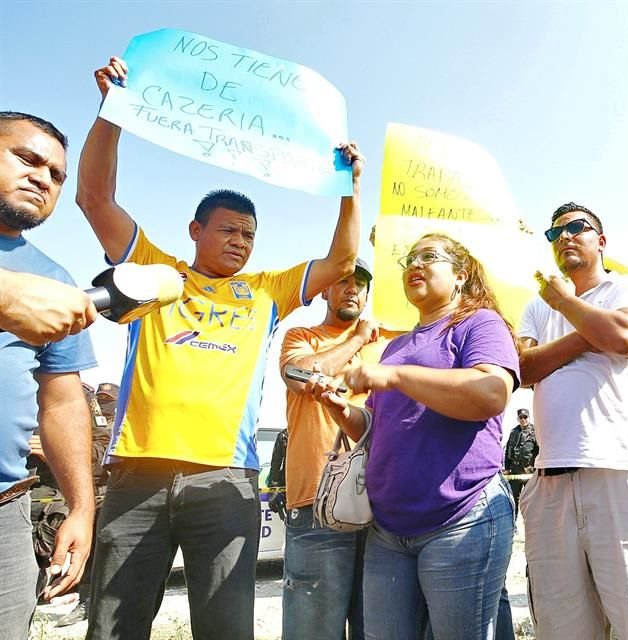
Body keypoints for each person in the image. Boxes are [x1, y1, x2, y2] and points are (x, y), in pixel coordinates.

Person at [76, 58, 365, 640]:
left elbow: (339, 263)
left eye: (250, 235)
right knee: (113, 625)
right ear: (196, 231)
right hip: (138, 474)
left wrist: (348, 190)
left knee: (227, 629)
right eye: (229, 230)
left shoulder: (267, 293)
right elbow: (93, 198)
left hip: (229, 480)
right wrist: (112, 113)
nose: (240, 242)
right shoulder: (154, 271)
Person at [312, 233, 519, 640]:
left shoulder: (479, 324)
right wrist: (340, 408)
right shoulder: (396, 347)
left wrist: (395, 376)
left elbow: (492, 393)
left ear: (460, 275)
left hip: (461, 517)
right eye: (410, 259)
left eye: (429, 257)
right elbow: (375, 429)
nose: (415, 265)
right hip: (388, 530)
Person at [517, 202, 628, 640]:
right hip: (552, 483)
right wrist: (590, 334)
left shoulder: (627, 290)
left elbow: (625, 336)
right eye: (555, 233)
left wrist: (565, 303)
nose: (565, 237)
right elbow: (521, 368)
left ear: (601, 240)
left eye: (578, 228)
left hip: (622, 476)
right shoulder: (536, 309)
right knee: (562, 630)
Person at [0, 111, 97, 637]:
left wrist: (80, 508)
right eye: (27, 159)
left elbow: (61, 402)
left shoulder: (57, 281)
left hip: (5, 509)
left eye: (57, 175)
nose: (43, 178)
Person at [278, 258, 386, 640]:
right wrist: (356, 339)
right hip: (315, 506)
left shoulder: (388, 344)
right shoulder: (301, 337)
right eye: (341, 281)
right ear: (324, 289)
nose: (351, 289)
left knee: (376, 628)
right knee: (313, 630)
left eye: (359, 283)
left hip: (381, 509)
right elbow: (301, 376)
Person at [28, 383, 113, 628]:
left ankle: (87, 600)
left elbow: (103, 450)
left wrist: (56, 450)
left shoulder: (75, 393)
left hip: (53, 509)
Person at [503, 409, 538, 511]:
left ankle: (531, 524)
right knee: (513, 499)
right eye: (521, 417)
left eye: (525, 417)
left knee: (530, 499)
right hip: (515, 469)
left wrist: (534, 467)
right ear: (518, 419)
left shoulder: (535, 431)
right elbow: (508, 449)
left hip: (529, 470)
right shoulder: (514, 432)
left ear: (529, 418)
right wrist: (507, 468)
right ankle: (514, 524)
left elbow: (540, 450)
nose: (523, 419)